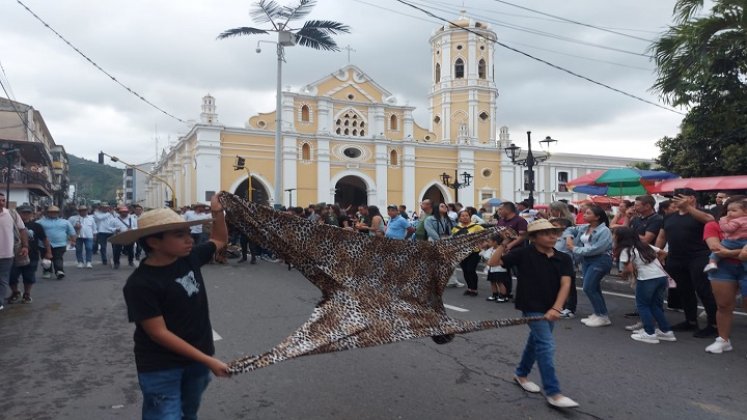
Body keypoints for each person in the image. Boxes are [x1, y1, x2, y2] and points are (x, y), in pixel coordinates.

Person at [120, 194, 230, 419]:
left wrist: (217, 213)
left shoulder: (189, 258)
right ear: (154, 242)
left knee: (189, 413)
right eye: (180, 235)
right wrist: (209, 361)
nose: (189, 240)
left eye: (189, 233)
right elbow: (159, 333)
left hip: (198, 360)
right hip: (161, 367)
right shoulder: (140, 284)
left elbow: (219, 239)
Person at [494, 219, 578, 409]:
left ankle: (521, 374)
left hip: (551, 306)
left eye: (554, 232)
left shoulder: (563, 258)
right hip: (531, 305)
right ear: (533, 238)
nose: (553, 236)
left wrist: (556, 308)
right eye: (546, 233)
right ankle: (553, 392)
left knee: (536, 341)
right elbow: (494, 262)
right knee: (546, 345)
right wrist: (503, 244)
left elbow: (566, 284)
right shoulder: (523, 253)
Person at [655, 188, 718, 338]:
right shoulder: (670, 217)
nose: (675, 200)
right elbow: (662, 236)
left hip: (698, 257)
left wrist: (689, 207)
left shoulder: (702, 213)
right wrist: (657, 251)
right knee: (684, 290)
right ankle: (690, 321)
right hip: (676, 258)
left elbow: (710, 221)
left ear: (691, 198)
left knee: (704, 291)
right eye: (674, 198)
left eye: (679, 197)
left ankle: (714, 324)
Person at [615, 227, 677, 344]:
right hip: (661, 276)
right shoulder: (644, 245)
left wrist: (623, 274)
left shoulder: (625, 250)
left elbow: (629, 268)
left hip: (646, 278)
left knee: (643, 305)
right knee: (655, 306)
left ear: (620, 238)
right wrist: (655, 262)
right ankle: (666, 331)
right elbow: (664, 252)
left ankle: (649, 333)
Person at [702, 196, 747, 354]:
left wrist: (729, 252)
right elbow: (716, 248)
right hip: (723, 268)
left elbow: (726, 251)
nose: (731, 213)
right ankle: (723, 340)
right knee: (723, 305)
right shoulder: (714, 224)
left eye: (736, 210)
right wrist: (738, 252)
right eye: (729, 210)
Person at [565, 205, 614, 327]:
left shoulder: (605, 231)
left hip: (600, 259)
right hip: (586, 260)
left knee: (588, 287)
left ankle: (603, 315)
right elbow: (569, 229)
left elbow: (597, 248)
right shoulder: (585, 227)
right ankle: (599, 313)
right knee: (594, 287)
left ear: (597, 217)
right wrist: (569, 237)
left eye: (588, 213)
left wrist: (574, 249)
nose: (584, 215)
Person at [7, 205, 51, 305]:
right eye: (23, 213)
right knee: (12, 276)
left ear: (32, 214)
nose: (25, 215)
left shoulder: (37, 226)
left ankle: (27, 294)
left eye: (28, 213)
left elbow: (44, 239)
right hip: (13, 255)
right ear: (17, 214)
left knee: (29, 276)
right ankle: (15, 292)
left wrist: (48, 252)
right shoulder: (11, 225)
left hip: (32, 255)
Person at [0, 193, 29, 310]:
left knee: (2, 279)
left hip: (7, 254)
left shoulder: (11, 214)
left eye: (3, 200)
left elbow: (22, 230)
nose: (1, 202)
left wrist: (25, 246)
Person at [425, 202, 464, 288]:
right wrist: (439, 241)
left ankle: (452, 281)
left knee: (451, 262)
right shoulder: (430, 219)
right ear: (436, 208)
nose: (445, 207)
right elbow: (430, 231)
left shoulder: (449, 219)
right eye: (442, 206)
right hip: (435, 241)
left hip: (448, 240)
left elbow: (456, 229)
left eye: (445, 206)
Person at [704, 199, 747, 273]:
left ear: (745, 211)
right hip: (744, 243)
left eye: (733, 211)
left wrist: (723, 221)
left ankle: (712, 263)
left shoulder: (736, 221)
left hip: (732, 242)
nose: (729, 213)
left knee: (716, 252)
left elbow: (728, 229)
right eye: (728, 211)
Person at [451, 210, 485, 296]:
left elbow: (485, 235)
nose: (465, 217)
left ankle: (474, 289)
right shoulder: (456, 228)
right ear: (459, 218)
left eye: (467, 215)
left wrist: (481, 244)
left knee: (471, 270)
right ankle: (469, 288)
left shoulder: (476, 226)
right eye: (462, 216)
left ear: (470, 217)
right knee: (465, 271)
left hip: (474, 252)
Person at [37, 205, 75, 280]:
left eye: (55, 212)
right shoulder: (40, 222)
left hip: (60, 244)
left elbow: (72, 232)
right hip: (43, 244)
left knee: (58, 258)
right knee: (46, 258)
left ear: (58, 213)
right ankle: (47, 271)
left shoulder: (65, 222)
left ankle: (59, 271)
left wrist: (73, 241)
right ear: (47, 213)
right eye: (51, 212)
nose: (53, 214)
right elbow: (34, 230)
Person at [550, 217, 577, 318]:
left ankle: (570, 309)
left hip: (567, 265)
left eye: (555, 225)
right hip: (555, 265)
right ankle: (561, 306)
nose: (553, 227)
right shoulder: (552, 236)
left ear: (564, 226)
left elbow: (572, 250)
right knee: (558, 286)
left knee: (570, 288)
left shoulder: (568, 235)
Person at [481, 233, 510, 302]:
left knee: (500, 282)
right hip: (491, 269)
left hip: (499, 269)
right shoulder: (490, 249)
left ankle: (504, 296)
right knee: (492, 282)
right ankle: (495, 294)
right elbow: (485, 256)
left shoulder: (501, 249)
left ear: (495, 242)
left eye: (489, 241)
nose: (488, 243)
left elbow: (504, 257)